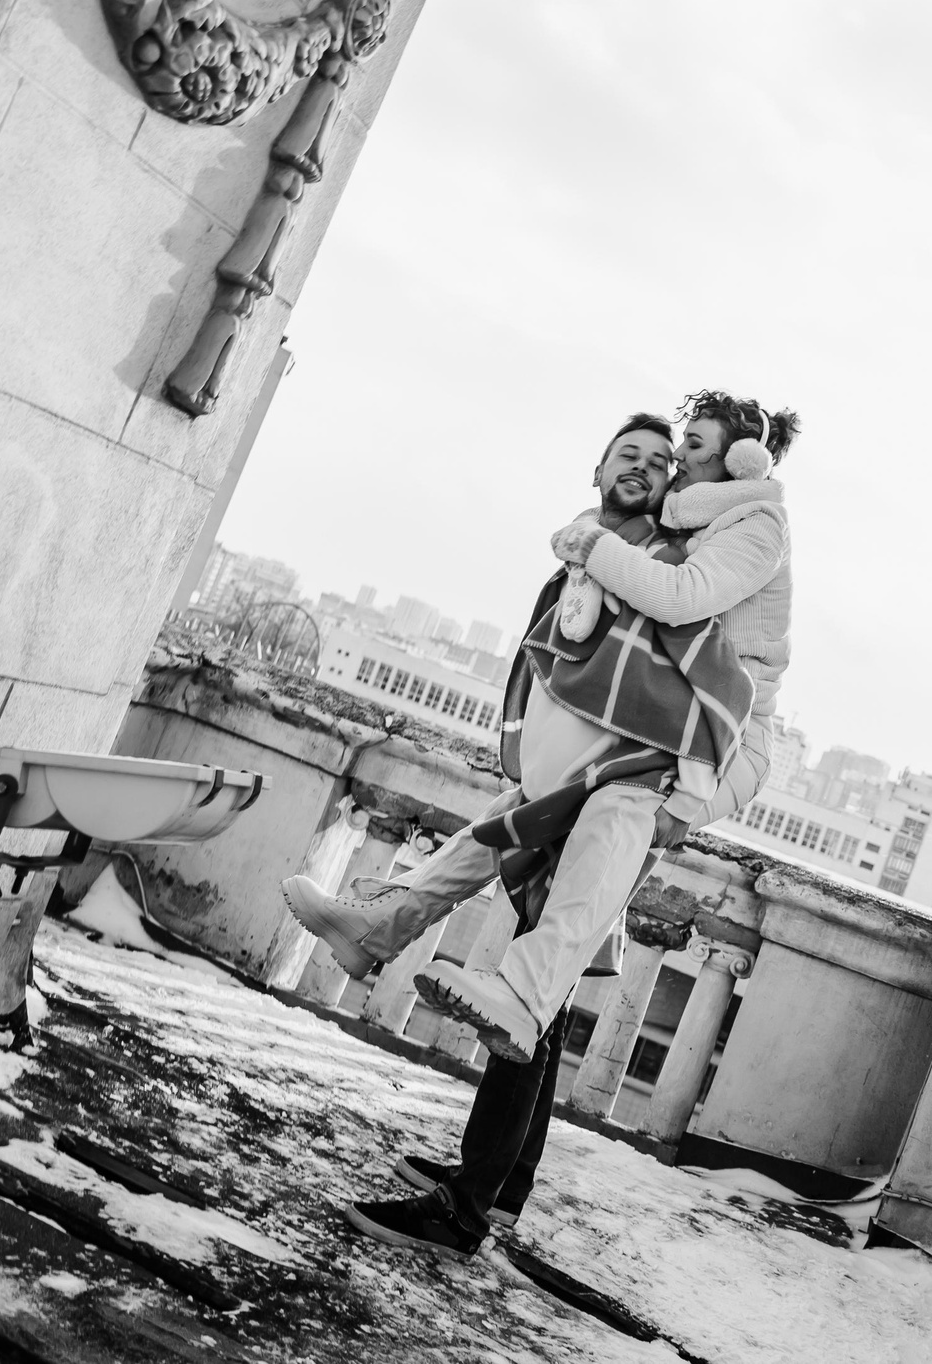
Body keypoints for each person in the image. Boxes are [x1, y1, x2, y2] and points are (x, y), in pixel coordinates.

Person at [288, 395, 800, 1257]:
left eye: (688, 450)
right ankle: (495, 1182)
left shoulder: (743, 529)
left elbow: (680, 608)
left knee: (539, 976)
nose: (672, 463)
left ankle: (465, 1205)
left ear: (745, 460)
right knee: (539, 943)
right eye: (662, 452)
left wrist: (586, 539)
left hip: (699, 753)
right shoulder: (682, 528)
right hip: (647, 745)